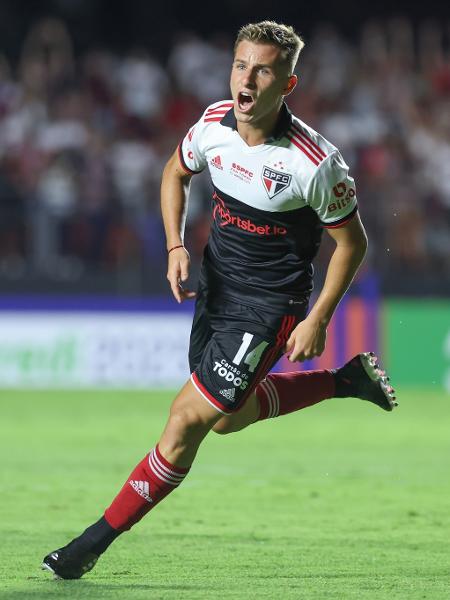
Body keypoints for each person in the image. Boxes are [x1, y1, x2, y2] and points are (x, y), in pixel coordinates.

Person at [42, 21, 397, 580]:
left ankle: (88, 544)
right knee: (228, 420)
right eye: (240, 65)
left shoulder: (314, 164)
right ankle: (345, 381)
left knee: (186, 421)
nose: (246, 78)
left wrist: (318, 319)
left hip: (268, 306)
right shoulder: (212, 126)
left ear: (288, 83)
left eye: (262, 69)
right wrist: (175, 244)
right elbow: (173, 173)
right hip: (216, 288)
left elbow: (353, 243)